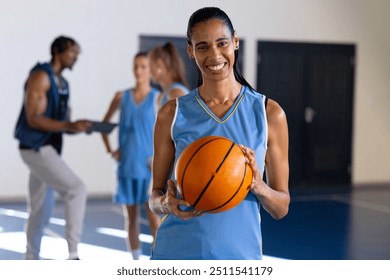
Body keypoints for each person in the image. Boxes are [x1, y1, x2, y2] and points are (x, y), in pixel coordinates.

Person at [149, 7, 290, 260]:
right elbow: (155, 196)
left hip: (239, 258)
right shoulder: (171, 114)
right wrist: (164, 204)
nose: (214, 55)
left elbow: (281, 208)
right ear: (191, 51)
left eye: (222, 43)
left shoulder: (269, 114)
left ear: (235, 42)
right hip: (176, 253)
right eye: (202, 47)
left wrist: (259, 186)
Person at [14, 35, 92, 260]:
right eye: (72, 52)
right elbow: (33, 118)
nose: (76, 56)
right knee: (77, 189)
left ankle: (30, 258)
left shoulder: (63, 84)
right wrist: (69, 124)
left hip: (48, 149)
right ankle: (73, 254)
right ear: (58, 52)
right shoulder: (41, 77)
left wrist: (79, 126)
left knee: (39, 212)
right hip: (35, 149)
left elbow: (62, 125)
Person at [101, 52, 160, 260]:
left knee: (154, 219)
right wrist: (110, 150)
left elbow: (166, 133)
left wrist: (160, 160)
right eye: (136, 66)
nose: (138, 71)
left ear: (151, 70)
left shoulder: (157, 99)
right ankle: (135, 263)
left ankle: (157, 262)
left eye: (143, 67)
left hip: (148, 168)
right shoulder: (121, 96)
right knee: (131, 218)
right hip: (126, 166)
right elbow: (104, 125)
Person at [148, 42, 190, 108]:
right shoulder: (164, 95)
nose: (149, 71)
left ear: (160, 64)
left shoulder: (176, 93)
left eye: (151, 65)